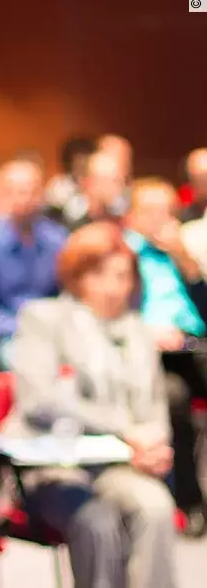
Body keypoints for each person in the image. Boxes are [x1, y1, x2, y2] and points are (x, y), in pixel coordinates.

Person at [2, 222, 178, 588]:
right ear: (77, 275)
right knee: (99, 521)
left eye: (123, 277)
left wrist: (155, 444)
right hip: (55, 464)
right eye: (101, 275)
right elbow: (41, 401)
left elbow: (154, 404)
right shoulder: (43, 318)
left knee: (156, 506)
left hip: (120, 463)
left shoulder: (138, 330)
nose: (113, 287)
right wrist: (125, 429)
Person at [124, 177, 207, 533]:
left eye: (168, 212)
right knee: (175, 400)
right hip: (146, 353)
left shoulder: (186, 250)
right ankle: (189, 501)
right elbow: (114, 314)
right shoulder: (122, 253)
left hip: (194, 346)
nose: (161, 220)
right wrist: (148, 334)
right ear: (131, 216)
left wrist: (187, 262)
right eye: (151, 212)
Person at [0, 157, 67, 367]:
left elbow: (70, 293)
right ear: (2, 195)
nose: (25, 199)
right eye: (16, 191)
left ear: (43, 193)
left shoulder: (58, 238)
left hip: (54, 330)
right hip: (7, 335)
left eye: (32, 191)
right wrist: (21, 327)